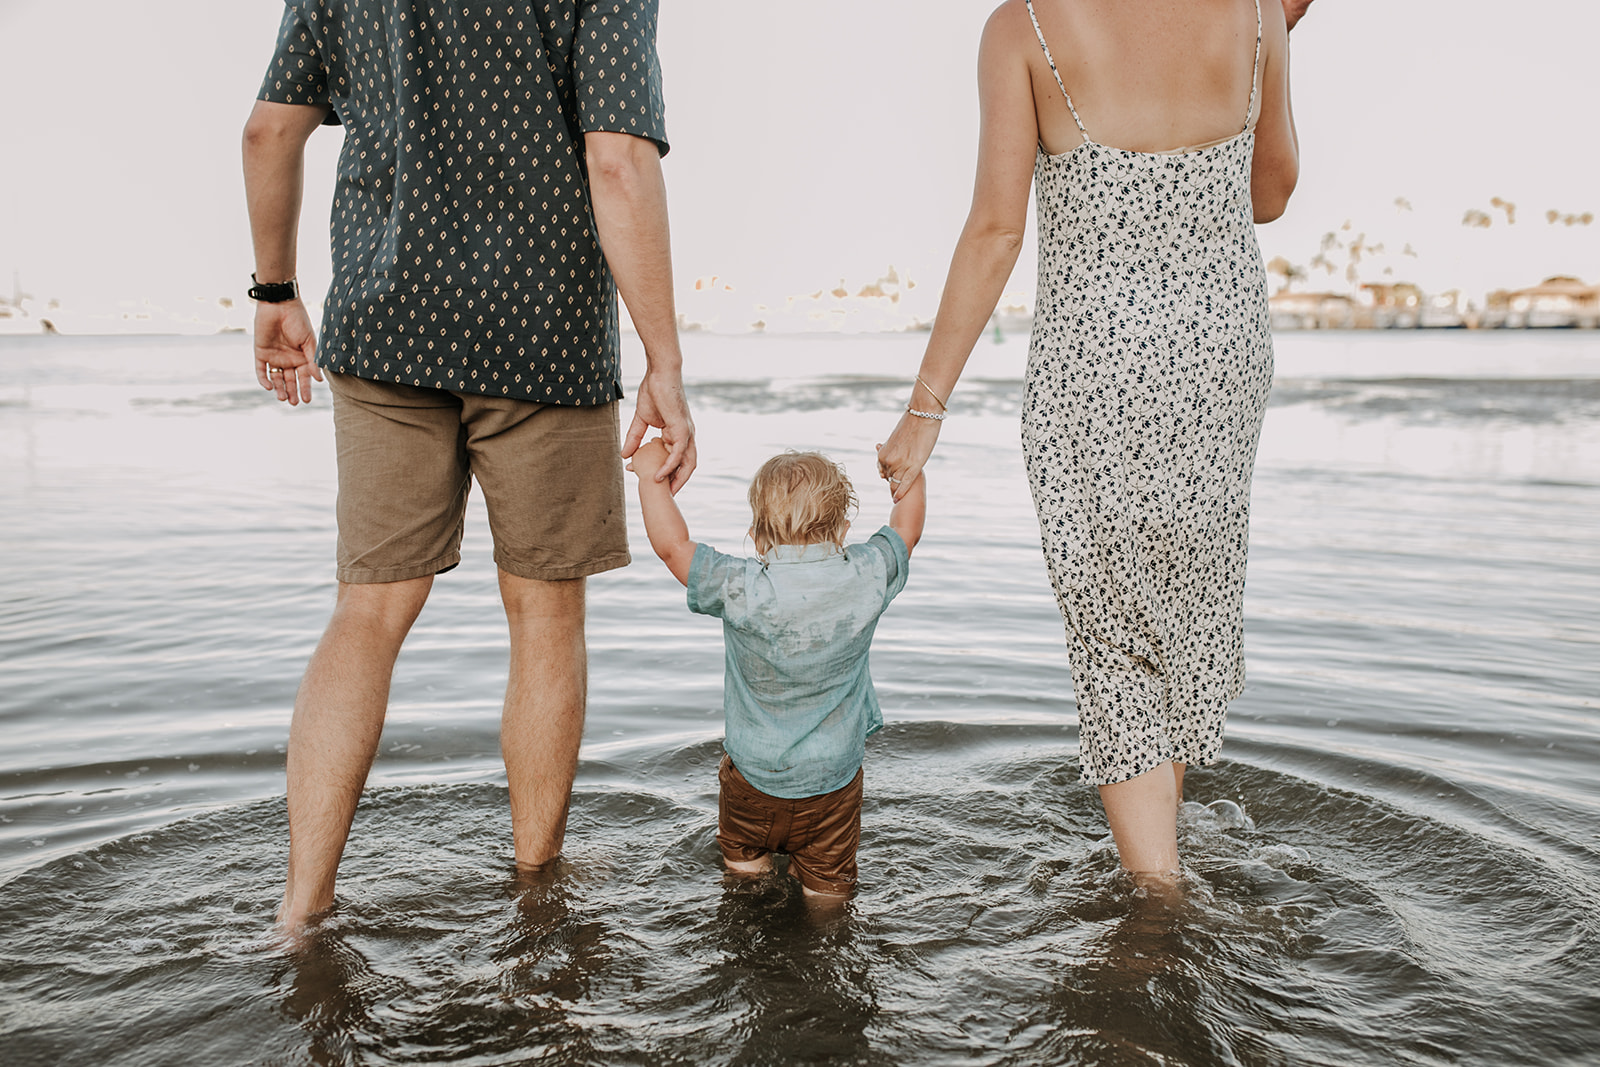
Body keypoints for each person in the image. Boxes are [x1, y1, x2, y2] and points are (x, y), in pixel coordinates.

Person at [242, 0, 696, 933]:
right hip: (545, 330)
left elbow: (268, 131)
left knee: (367, 611)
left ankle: (299, 908)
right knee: (544, 612)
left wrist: (276, 287)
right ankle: (537, 888)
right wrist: (665, 363)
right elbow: (617, 156)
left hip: (385, 318)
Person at [875, 0, 1307, 878]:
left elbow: (996, 232)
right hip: (1220, 361)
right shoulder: (1257, 12)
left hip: (1099, 368)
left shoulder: (1024, 28)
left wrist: (925, 409)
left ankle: (1159, 895)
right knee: (1183, 607)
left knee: (1113, 636)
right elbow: (1271, 193)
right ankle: (1162, 854)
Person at [628, 445, 926, 899]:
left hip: (752, 781)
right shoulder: (867, 575)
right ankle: (826, 932)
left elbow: (673, 548)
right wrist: (909, 471)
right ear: (844, 530)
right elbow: (907, 530)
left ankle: (747, 904)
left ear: (757, 538)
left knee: (743, 870)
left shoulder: (741, 586)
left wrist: (651, 477)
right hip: (833, 787)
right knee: (831, 890)